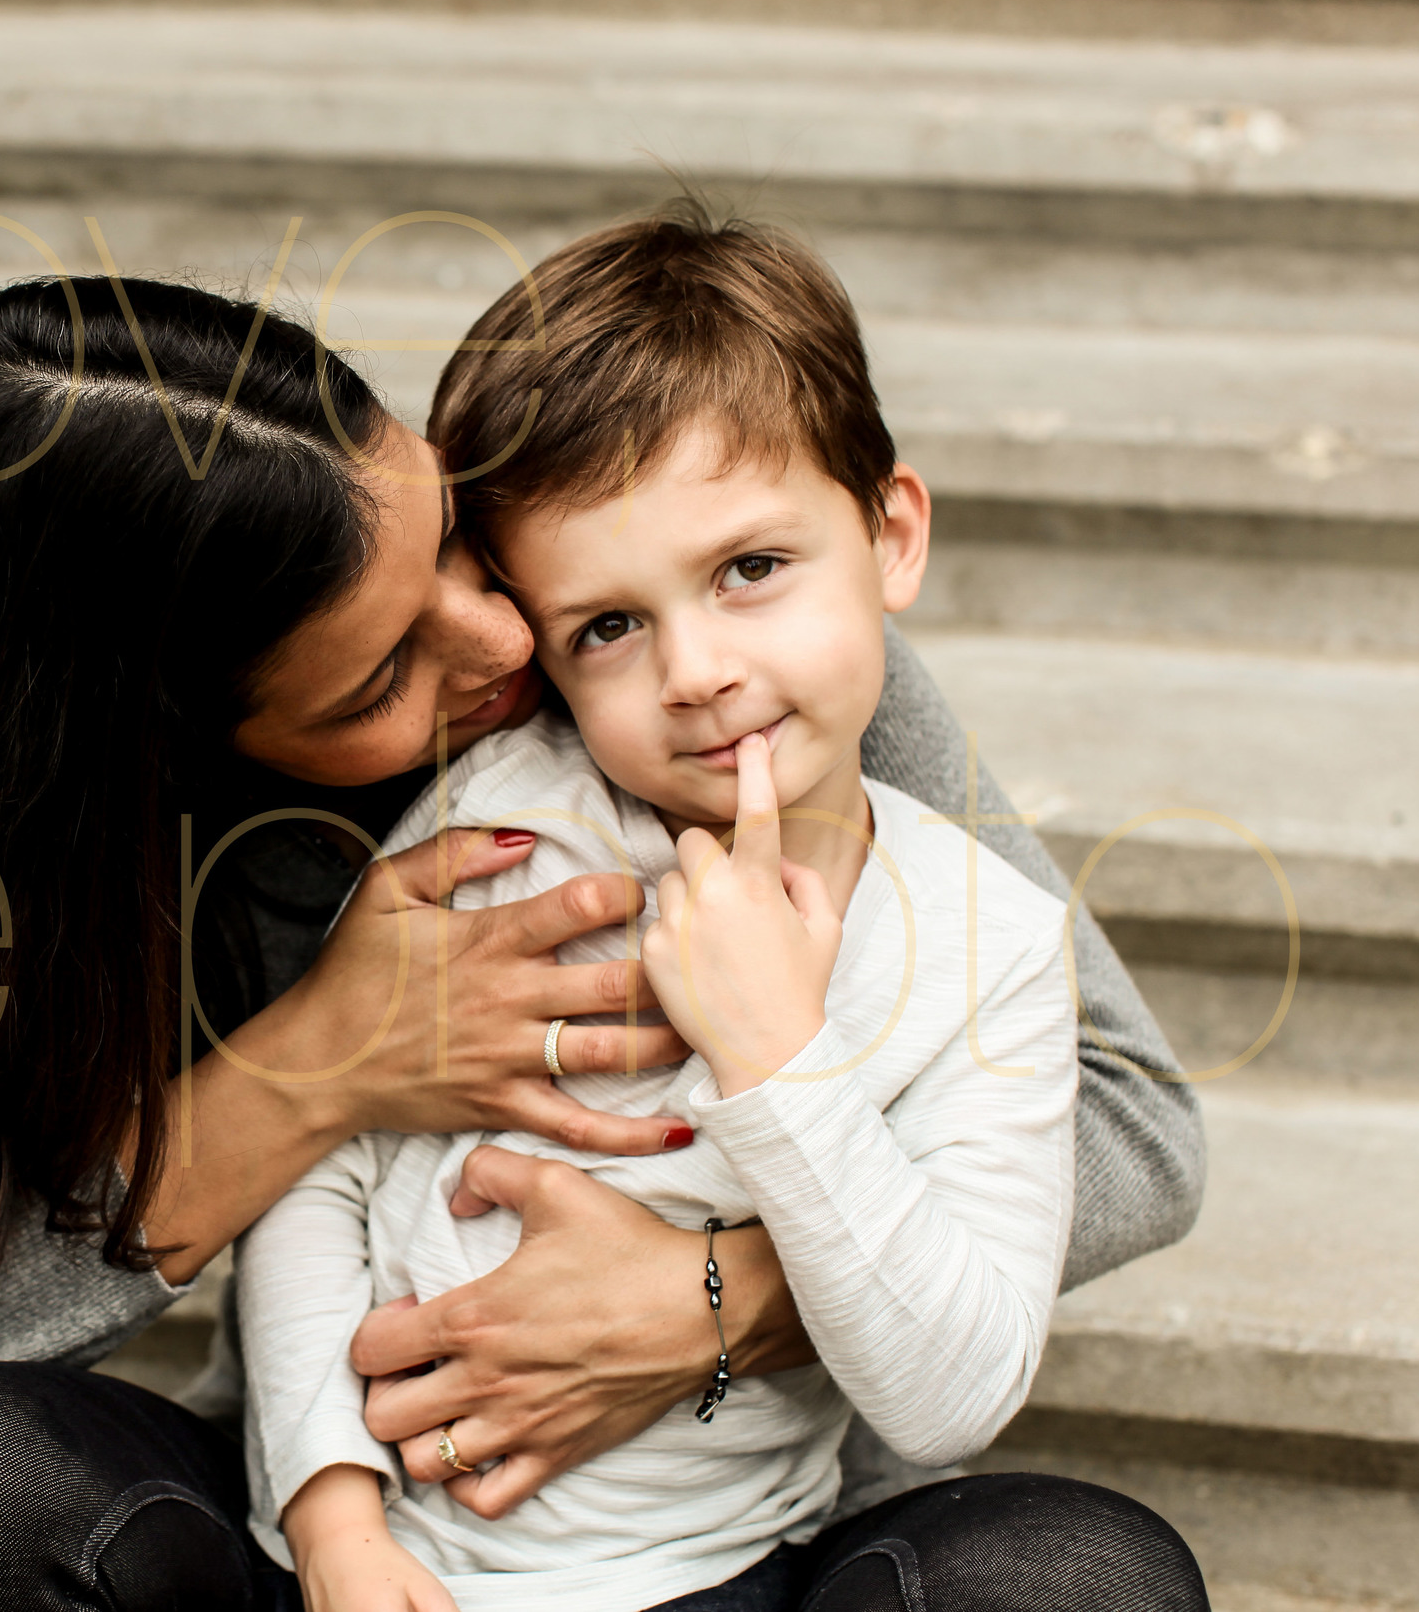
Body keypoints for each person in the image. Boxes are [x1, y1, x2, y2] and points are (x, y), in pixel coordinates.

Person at [0, 266, 1205, 1612]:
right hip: (366, 1521)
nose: (508, 642)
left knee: (1075, 1575)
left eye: (458, 543)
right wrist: (313, 1070)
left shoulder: (726, 672)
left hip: (739, 1530)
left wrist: (703, 1298)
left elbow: (1131, 1125)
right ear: (177, 750)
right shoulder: (42, 877)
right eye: (384, 672)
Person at [240, 211, 1194, 1612]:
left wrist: (778, 1055)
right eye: (608, 628)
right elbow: (320, 1170)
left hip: (708, 1574)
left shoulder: (986, 940)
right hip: (368, 1565)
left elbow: (955, 1393)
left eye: (751, 569)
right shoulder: (503, 828)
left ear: (891, 539)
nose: (696, 671)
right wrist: (333, 1524)